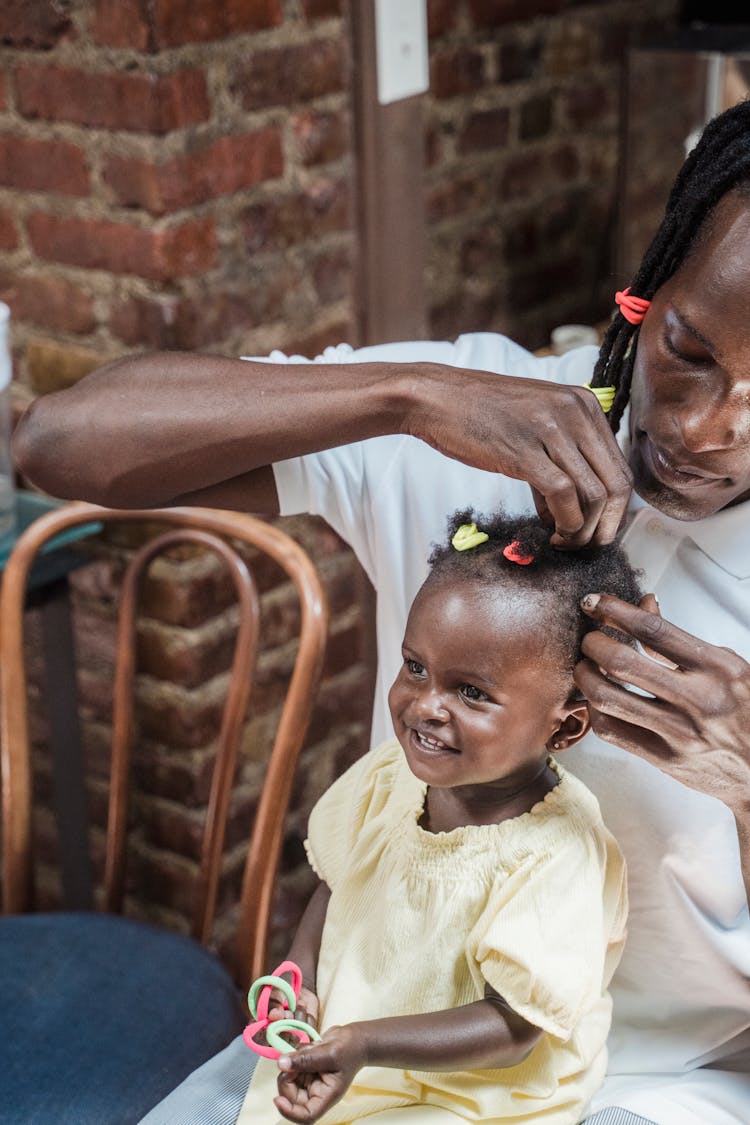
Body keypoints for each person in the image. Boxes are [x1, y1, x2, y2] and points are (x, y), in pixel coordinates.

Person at [12, 99, 750, 1125]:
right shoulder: (490, 420)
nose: (708, 428)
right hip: (364, 1047)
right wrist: (403, 393)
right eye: (690, 349)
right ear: (649, 285)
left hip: (658, 1087)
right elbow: (60, 443)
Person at [238, 506, 636, 1125]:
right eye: (415, 667)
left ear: (567, 725)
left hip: (472, 1100)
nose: (425, 706)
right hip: (350, 1058)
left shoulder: (558, 853)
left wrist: (367, 1043)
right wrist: (304, 981)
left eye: (472, 692)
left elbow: (511, 1028)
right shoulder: (389, 777)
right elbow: (337, 886)